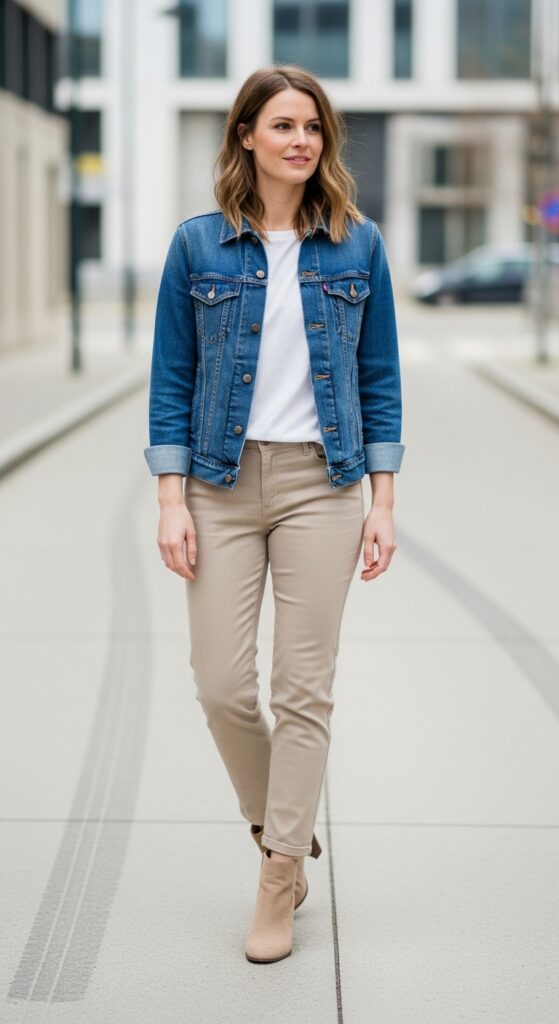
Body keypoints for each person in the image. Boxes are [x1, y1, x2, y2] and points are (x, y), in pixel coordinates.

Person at [144, 65, 405, 964]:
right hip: (218, 484)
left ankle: (277, 875)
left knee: (302, 689)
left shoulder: (358, 244)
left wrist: (382, 499)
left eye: (313, 127)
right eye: (283, 125)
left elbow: (378, 377)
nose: (301, 140)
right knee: (221, 685)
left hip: (321, 485)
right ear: (246, 135)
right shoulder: (197, 246)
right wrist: (171, 499)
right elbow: (171, 378)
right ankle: (278, 830)